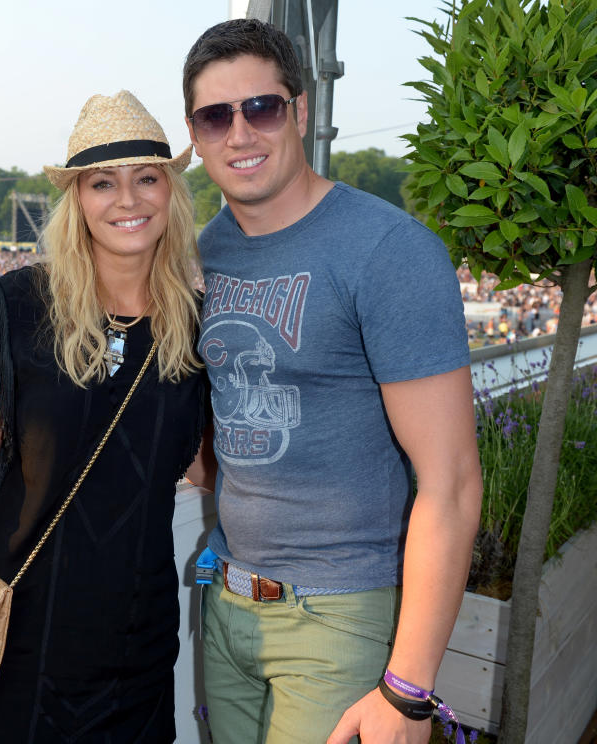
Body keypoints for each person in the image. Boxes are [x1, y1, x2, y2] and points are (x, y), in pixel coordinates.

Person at [182, 19, 483, 744]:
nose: (240, 134)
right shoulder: (203, 253)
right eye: (215, 116)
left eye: (262, 107)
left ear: (303, 109)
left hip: (337, 616)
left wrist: (408, 690)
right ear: (194, 135)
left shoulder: (388, 250)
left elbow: (452, 480)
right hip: (226, 599)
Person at [0, 90, 215, 744]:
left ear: (172, 192)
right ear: (77, 198)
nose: (127, 200)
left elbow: (204, 463)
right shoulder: (18, 305)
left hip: (138, 652)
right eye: (103, 182)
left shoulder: (197, 325)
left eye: (146, 179)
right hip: (22, 644)